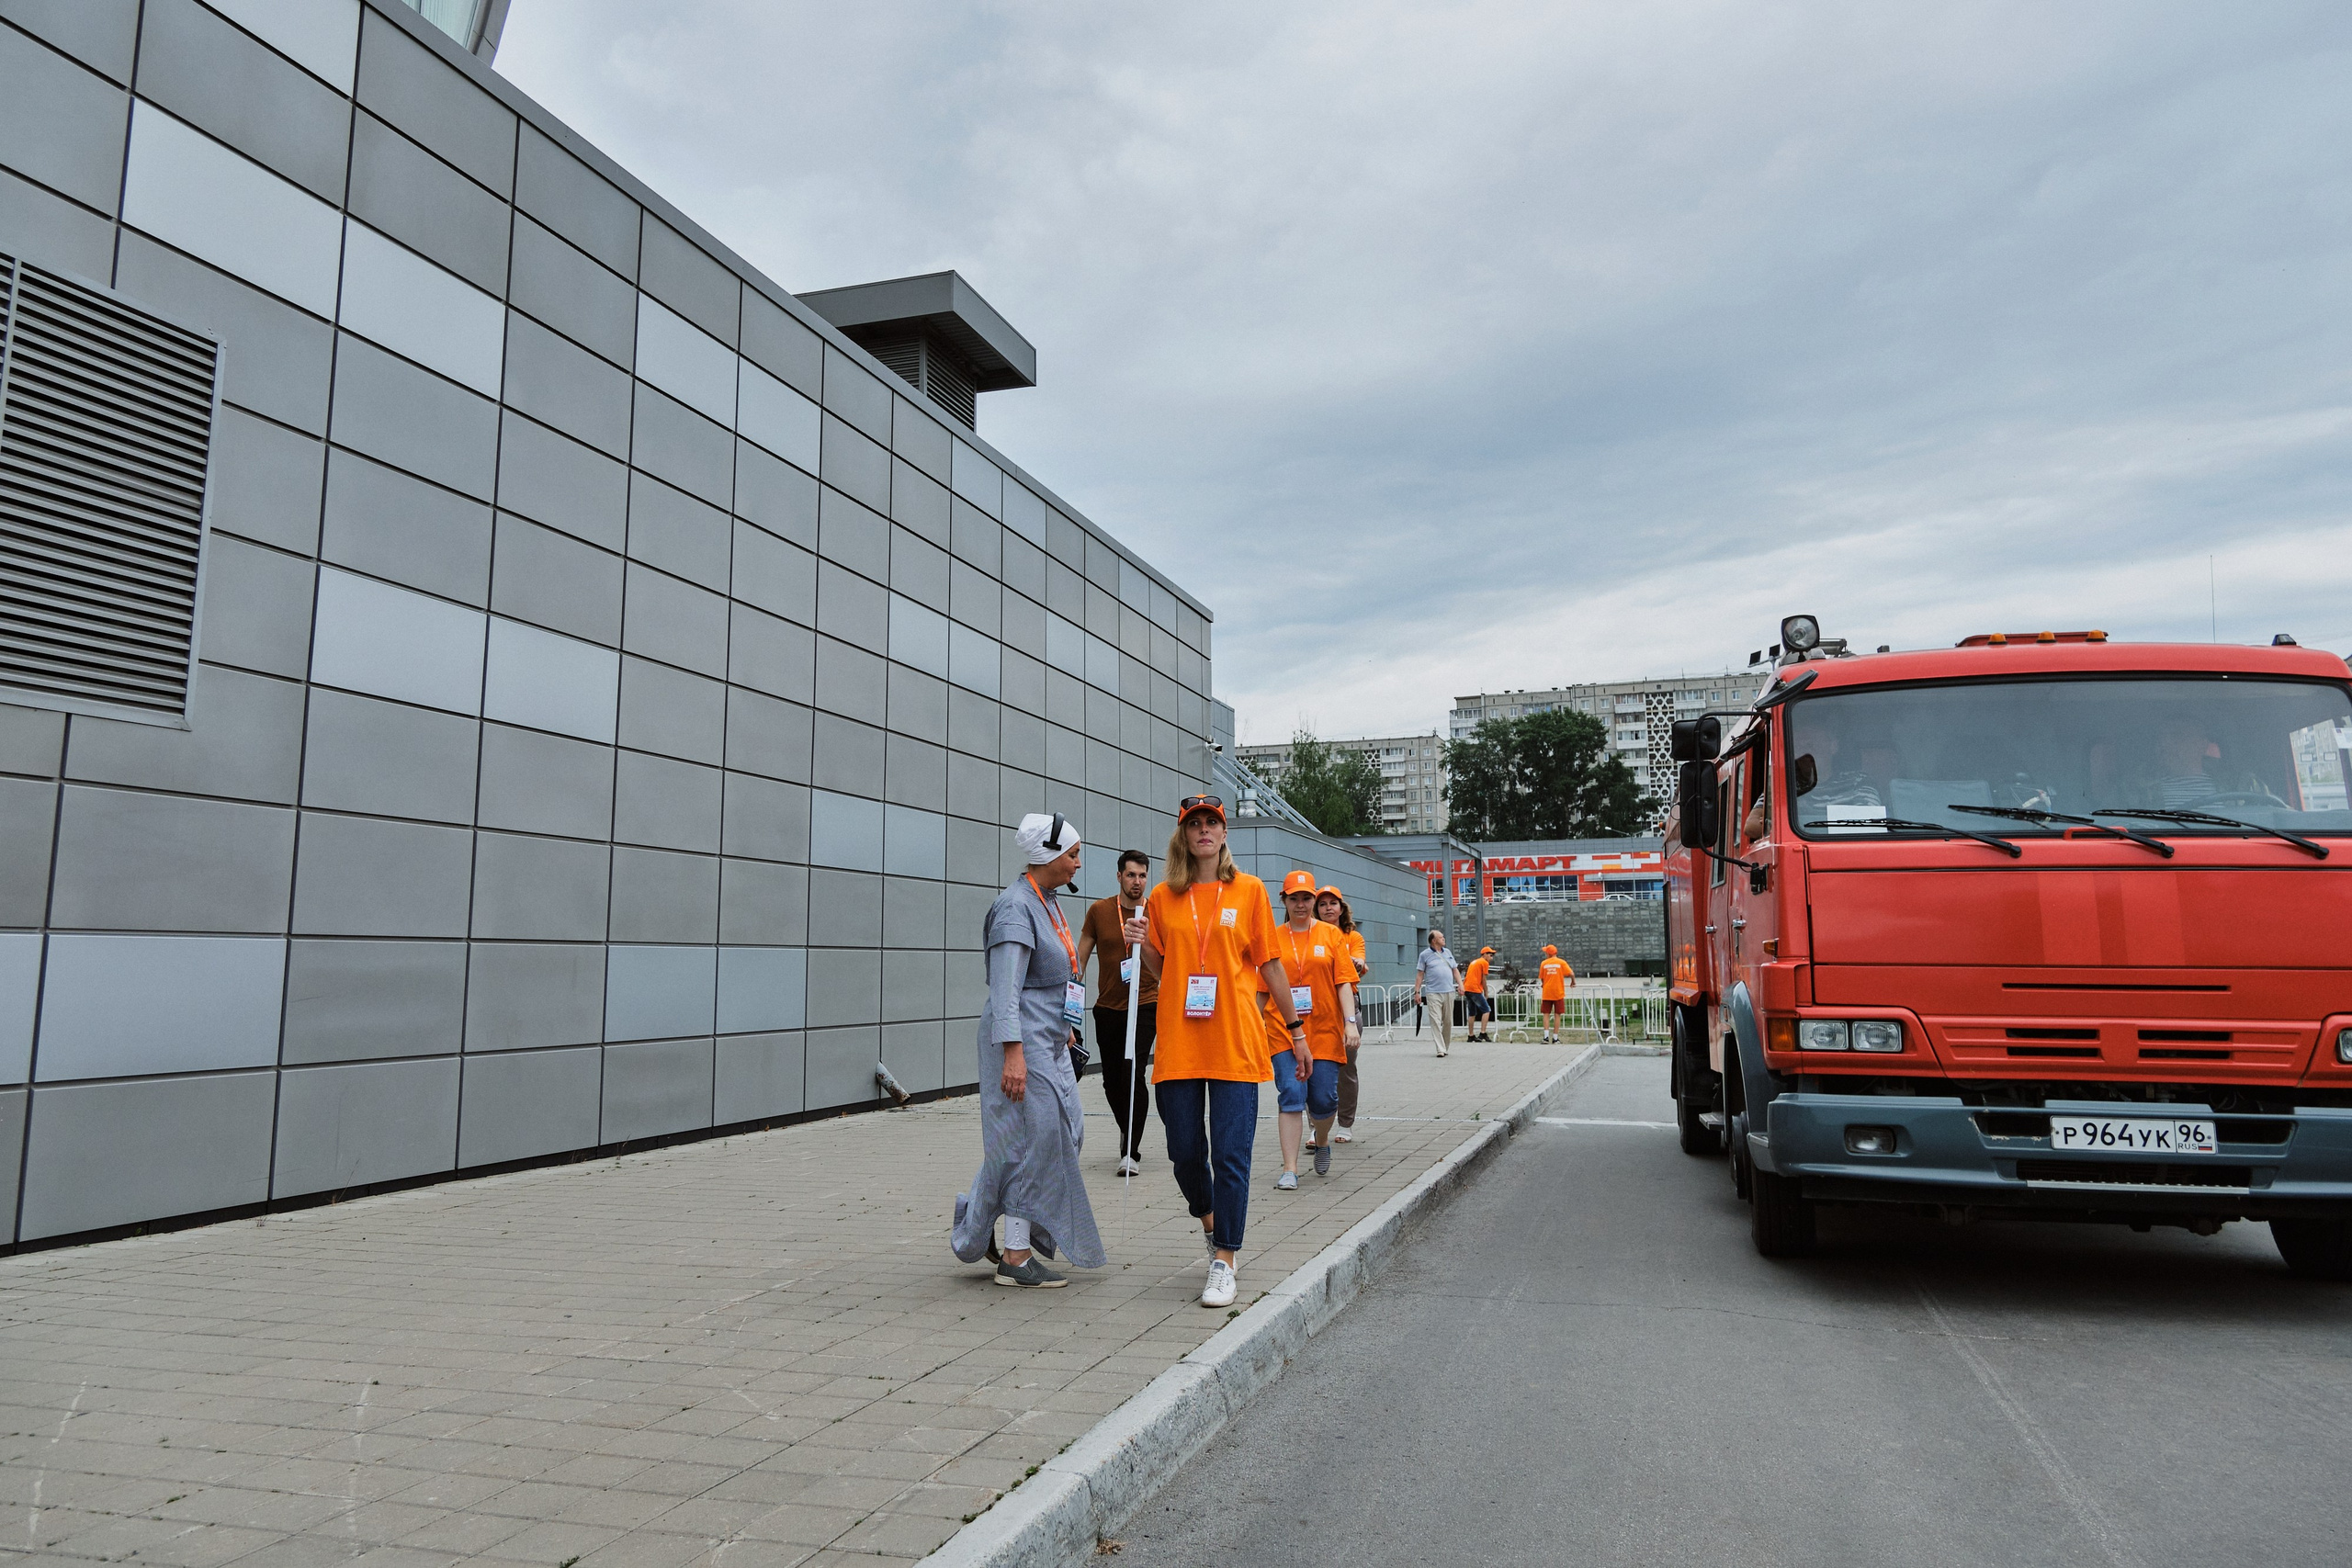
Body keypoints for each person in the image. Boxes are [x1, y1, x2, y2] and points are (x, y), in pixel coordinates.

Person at [1125, 795, 1304, 1310]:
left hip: (1234, 1043)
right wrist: (1140, 939)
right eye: (1194, 824)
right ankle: (1210, 1222)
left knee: (1230, 1156)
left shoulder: (1249, 891)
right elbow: (1162, 967)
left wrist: (1295, 1032)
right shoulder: (1162, 897)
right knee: (1184, 1154)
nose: (1203, 830)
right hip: (1180, 1044)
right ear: (1184, 836)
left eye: (1212, 823)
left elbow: (1270, 965)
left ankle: (1225, 1257)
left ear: (1224, 835)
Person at [951, 813, 1106, 1287]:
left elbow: (1055, 976)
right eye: (1073, 855)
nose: (1078, 863)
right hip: (1022, 1042)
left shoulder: (1048, 901)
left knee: (1065, 1133)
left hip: (1050, 1038)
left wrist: (1067, 1026)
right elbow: (1005, 989)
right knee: (1029, 1144)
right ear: (1047, 855)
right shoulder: (1015, 907)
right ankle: (1015, 1256)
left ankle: (977, 1224)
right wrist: (1013, 1053)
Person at [1266, 871, 1360, 1187]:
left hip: (1324, 1030)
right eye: (1294, 898)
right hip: (1282, 1029)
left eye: (1307, 898)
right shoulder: (1272, 937)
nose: (1301, 904)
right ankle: (1290, 1169)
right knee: (1291, 1093)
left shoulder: (1331, 935)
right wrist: (1252, 1025)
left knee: (1323, 1099)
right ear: (1284, 900)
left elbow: (1343, 982)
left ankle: (1321, 1140)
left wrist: (1350, 1024)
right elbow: (1261, 989)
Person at [1076, 849, 1157, 1175]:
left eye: (1142, 876)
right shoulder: (1099, 911)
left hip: (1146, 1003)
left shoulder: (1155, 911)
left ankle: (1130, 1152)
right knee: (1111, 1081)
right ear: (1119, 876)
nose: (1137, 881)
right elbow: (1081, 956)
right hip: (1108, 1007)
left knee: (1133, 1073)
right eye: (1131, 875)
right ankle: (1128, 1126)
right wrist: (1071, 988)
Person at [1316, 886, 1367, 1143]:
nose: (1328, 908)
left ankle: (1345, 1124)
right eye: (1322, 904)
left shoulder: (1352, 937)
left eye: (1332, 903)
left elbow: (1358, 963)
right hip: (1317, 1007)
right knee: (1314, 1069)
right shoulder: (1309, 935)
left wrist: (1357, 963)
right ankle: (1317, 1127)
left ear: (1341, 908)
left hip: (1348, 1008)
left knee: (1346, 1070)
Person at [1414, 931, 1460, 1057]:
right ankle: (1440, 1048)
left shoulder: (1448, 952)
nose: (1443, 939)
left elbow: (1455, 970)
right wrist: (1417, 992)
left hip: (1449, 991)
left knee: (1448, 1021)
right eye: (1441, 937)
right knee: (1435, 1020)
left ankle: (1445, 1046)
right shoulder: (1424, 955)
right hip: (1433, 992)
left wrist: (1460, 985)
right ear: (1434, 940)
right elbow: (1420, 974)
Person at [1537, 943, 1577, 1043]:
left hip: (1547, 992)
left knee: (1546, 1014)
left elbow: (1542, 978)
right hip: (1558, 992)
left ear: (1548, 954)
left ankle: (1546, 1037)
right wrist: (1573, 982)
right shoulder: (1561, 962)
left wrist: (1544, 984)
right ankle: (1555, 1038)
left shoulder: (1544, 963)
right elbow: (1571, 973)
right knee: (1557, 1015)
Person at [1462, 945, 1496, 1042]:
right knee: (1487, 1010)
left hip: (1467, 988)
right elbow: (1484, 979)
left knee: (1472, 1012)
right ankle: (1483, 1033)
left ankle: (1471, 1035)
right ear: (1485, 955)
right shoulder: (1484, 963)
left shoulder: (1474, 962)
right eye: (1490, 955)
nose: (1491, 958)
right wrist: (1486, 992)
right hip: (1474, 989)